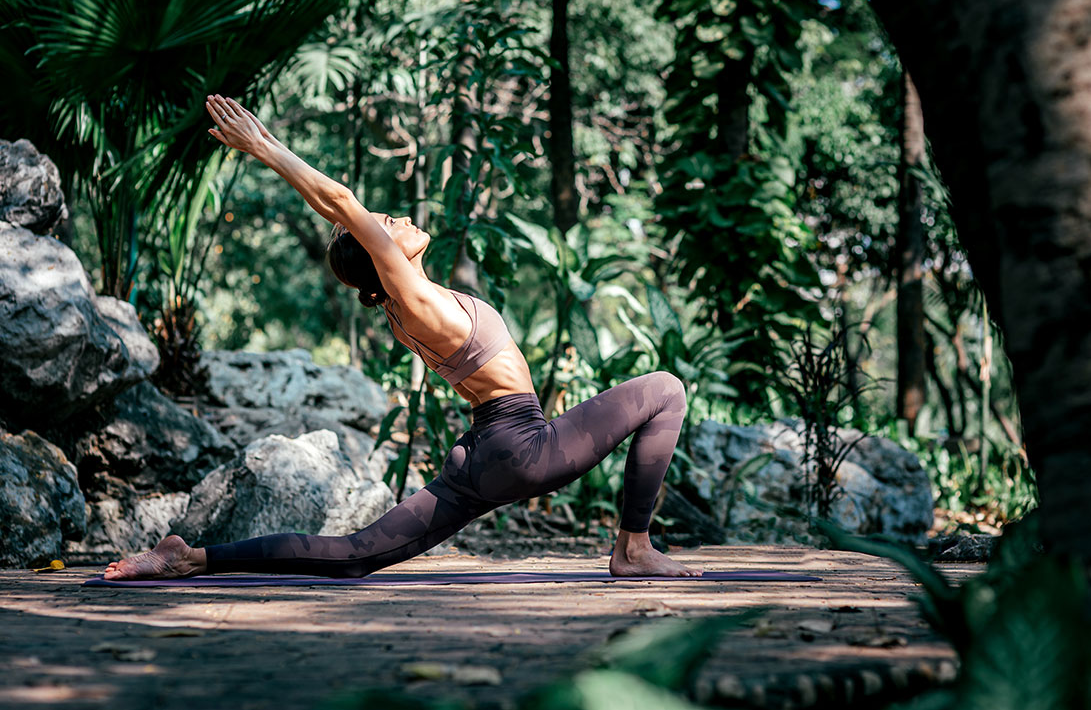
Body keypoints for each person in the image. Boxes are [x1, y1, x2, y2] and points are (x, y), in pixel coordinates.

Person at [103, 94, 701, 580]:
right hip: (521, 447)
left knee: (357, 553)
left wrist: (329, 206)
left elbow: (337, 213)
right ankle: (633, 547)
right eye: (386, 225)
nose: (399, 220)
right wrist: (264, 146)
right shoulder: (411, 296)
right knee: (667, 390)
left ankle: (189, 558)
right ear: (380, 255)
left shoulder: (403, 303)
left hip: (485, 454)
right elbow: (340, 202)